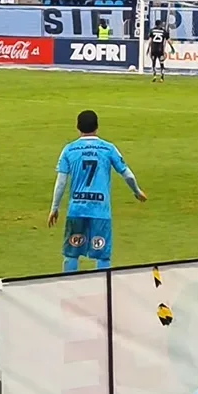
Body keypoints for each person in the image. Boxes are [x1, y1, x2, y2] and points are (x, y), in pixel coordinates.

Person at [48, 110, 147, 272]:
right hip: (100, 211)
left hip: (76, 210)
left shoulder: (69, 150)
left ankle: (69, 283)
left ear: (77, 127)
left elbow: (61, 182)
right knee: (102, 255)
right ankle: (103, 286)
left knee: (72, 253)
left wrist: (55, 208)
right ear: (97, 127)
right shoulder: (108, 149)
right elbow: (127, 175)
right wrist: (137, 191)